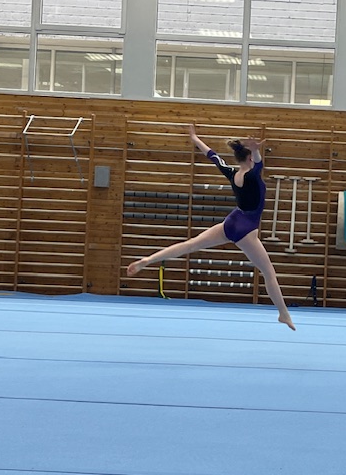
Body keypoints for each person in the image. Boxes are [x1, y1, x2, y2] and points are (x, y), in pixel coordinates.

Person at [127, 124, 296, 331]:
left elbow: (213, 156)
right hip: (246, 229)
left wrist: (195, 139)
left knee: (190, 244)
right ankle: (283, 313)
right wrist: (255, 150)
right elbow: (259, 164)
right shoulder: (252, 176)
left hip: (232, 221)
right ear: (250, 158)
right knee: (269, 273)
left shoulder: (232, 173)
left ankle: (149, 259)